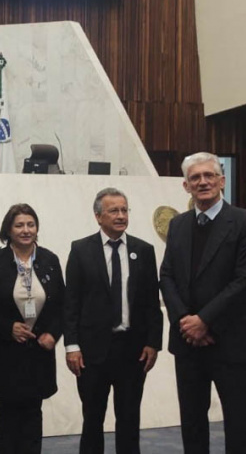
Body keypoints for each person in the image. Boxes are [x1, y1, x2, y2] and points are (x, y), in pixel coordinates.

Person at [159, 152, 246, 454]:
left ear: (222, 181)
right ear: (186, 186)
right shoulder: (177, 225)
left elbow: (245, 281)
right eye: (195, 178)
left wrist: (203, 321)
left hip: (231, 340)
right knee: (191, 422)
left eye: (209, 176)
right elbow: (167, 276)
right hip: (187, 342)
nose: (202, 182)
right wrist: (185, 321)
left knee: (238, 424)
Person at [63, 187, 163, 454]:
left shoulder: (144, 250)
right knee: (92, 419)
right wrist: (71, 346)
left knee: (130, 419)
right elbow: (71, 302)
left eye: (124, 210)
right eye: (113, 211)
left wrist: (153, 343)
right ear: (98, 216)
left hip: (132, 352)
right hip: (92, 352)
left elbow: (152, 302)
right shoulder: (81, 250)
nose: (121, 216)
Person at [0, 203, 65, 454]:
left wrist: (54, 333)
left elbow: (63, 305)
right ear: (9, 229)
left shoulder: (50, 260)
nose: (26, 230)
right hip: (5, 353)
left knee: (33, 415)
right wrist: (7, 328)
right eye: (19, 225)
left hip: (38, 352)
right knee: (8, 415)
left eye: (31, 224)